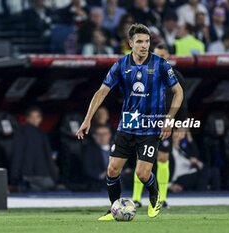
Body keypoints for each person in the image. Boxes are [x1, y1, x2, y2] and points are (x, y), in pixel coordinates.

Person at [76, 24, 184, 220]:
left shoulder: (160, 64)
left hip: (151, 125)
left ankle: (155, 195)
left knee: (143, 174)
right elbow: (101, 92)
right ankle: (114, 208)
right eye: (140, 42)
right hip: (129, 122)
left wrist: (169, 120)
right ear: (130, 43)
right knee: (112, 169)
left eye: (147, 41)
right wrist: (87, 119)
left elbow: (179, 93)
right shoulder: (121, 64)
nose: (144, 45)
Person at [132, 43, 188, 208]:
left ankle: (161, 199)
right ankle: (136, 199)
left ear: (168, 57)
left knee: (163, 158)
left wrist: (182, 126)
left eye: (162, 56)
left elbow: (182, 104)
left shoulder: (177, 77)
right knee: (141, 158)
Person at [10, 106, 58, 192]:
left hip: (35, 176)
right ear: (27, 118)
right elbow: (18, 155)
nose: (34, 120)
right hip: (33, 176)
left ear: (41, 119)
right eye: (32, 117)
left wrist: (14, 178)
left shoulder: (41, 134)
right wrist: (55, 177)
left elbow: (17, 155)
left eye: (37, 117)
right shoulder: (22, 133)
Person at [83, 124, 112, 191]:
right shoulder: (90, 151)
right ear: (94, 136)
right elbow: (87, 169)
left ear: (109, 135)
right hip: (99, 184)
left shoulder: (117, 149)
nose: (102, 137)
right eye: (99, 134)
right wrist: (101, 175)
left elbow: (126, 167)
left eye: (105, 134)